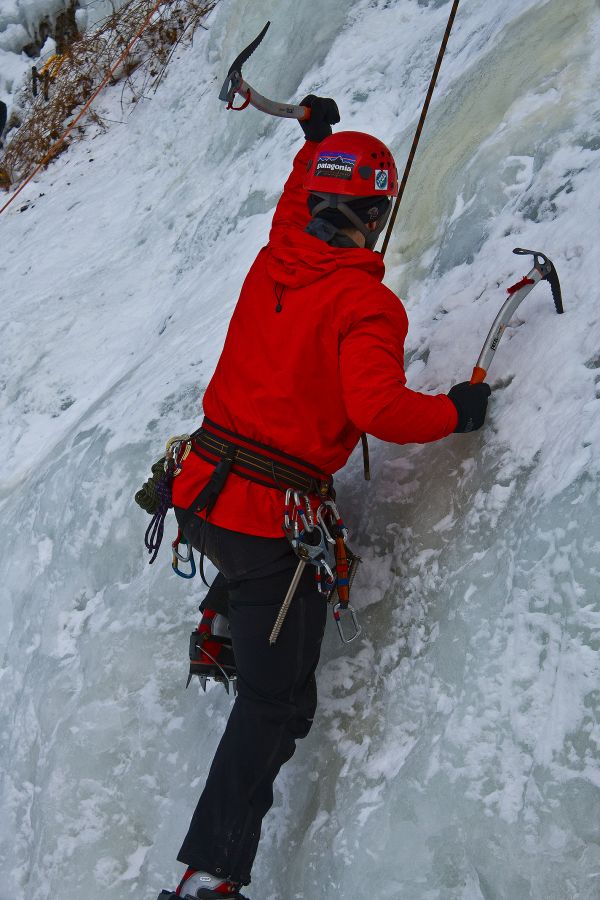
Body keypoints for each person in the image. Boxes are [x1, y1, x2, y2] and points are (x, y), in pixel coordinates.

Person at [159, 96, 491, 900]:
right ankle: (210, 875)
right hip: (268, 524)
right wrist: (456, 411)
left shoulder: (276, 256)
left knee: (253, 575)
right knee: (277, 704)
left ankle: (223, 620)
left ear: (313, 201)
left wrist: (317, 143)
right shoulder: (365, 304)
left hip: (198, 491)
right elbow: (379, 408)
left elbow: (295, 193)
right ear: (374, 217)